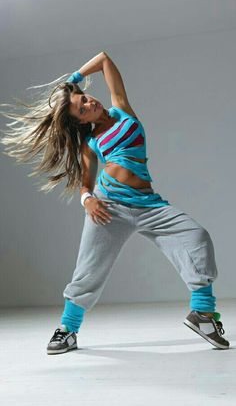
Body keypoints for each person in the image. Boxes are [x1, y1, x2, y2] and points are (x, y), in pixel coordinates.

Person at [0, 52, 230, 355]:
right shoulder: (90, 142)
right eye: (82, 109)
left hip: (148, 205)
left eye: (85, 99)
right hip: (109, 207)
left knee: (196, 237)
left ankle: (202, 314)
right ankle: (67, 330)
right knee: (88, 270)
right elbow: (84, 182)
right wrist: (87, 200)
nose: (88, 104)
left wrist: (72, 82)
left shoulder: (122, 109)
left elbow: (104, 59)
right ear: (81, 122)